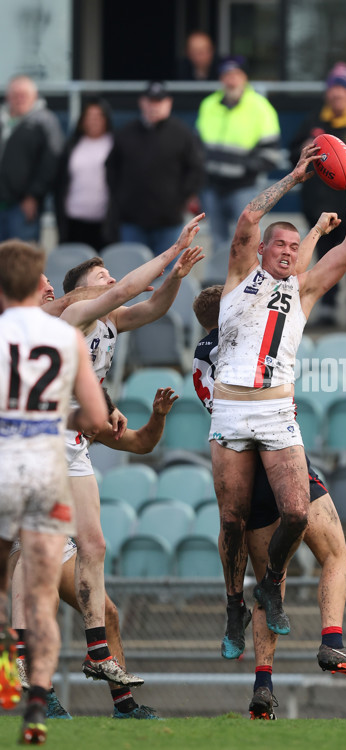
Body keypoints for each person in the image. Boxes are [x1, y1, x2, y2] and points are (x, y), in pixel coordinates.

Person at [192, 281, 346, 720]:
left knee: (269, 585)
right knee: (337, 555)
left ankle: (262, 687)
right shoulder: (253, 334)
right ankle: (332, 642)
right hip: (280, 459)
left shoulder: (201, 357)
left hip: (240, 467)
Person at [209, 142, 346, 641]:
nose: (289, 250)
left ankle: (271, 583)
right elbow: (249, 216)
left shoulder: (303, 291)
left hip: (277, 410)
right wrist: (296, 177)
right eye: (280, 245)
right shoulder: (237, 279)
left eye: (296, 247)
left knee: (296, 513)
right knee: (232, 522)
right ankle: (235, 603)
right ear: (261, 251)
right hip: (231, 409)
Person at [56, 218, 204, 687]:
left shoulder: (109, 324)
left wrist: (176, 275)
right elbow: (124, 295)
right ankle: (28, 675)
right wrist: (170, 251)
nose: (111, 281)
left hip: (75, 438)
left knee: (91, 570)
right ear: (79, 294)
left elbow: (153, 307)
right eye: (100, 276)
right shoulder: (72, 318)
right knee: (28, 583)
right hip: (44, 440)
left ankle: (106, 687)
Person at [11, 386, 178, 720]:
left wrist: (157, 417)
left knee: (106, 612)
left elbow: (142, 443)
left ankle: (124, 707)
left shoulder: (83, 431)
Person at [0, 240, 107, 744]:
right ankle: (37, 702)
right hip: (43, 468)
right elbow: (96, 417)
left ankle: (6, 666)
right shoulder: (64, 338)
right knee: (41, 595)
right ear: (35, 283)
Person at [289, 62, 346, 327]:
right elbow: (294, 153)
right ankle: (327, 306)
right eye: (333, 90)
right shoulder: (315, 119)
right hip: (319, 203)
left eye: (342, 90)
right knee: (323, 253)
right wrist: (306, 149)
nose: (336, 95)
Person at [195, 55, 281, 286]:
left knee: (248, 241)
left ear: (244, 78)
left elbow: (271, 154)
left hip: (244, 187)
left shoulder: (260, 107)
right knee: (218, 241)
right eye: (226, 75)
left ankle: (246, 287)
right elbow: (198, 146)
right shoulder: (209, 104)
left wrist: (243, 168)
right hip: (213, 187)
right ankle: (222, 290)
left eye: (235, 75)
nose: (231, 80)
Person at [106, 81, 204, 255]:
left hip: (169, 220)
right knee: (133, 273)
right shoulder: (126, 132)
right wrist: (121, 199)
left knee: (168, 274)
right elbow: (111, 168)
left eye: (159, 101)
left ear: (169, 103)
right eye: (150, 101)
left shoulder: (181, 133)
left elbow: (196, 168)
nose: (154, 106)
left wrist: (181, 199)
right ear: (142, 102)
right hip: (132, 220)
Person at [0, 75, 64, 243]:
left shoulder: (44, 121)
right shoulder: (3, 119)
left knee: (20, 262)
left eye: (24, 95)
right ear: (8, 97)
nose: (19, 99)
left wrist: (33, 196)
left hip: (22, 206)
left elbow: (50, 162)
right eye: (15, 95)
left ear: (34, 97)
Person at [54, 98, 117, 252]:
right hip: (73, 219)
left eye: (98, 117)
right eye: (89, 116)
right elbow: (60, 181)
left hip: (104, 221)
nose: (93, 121)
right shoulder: (72, 145)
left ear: (106, 119)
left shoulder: (115, 145)